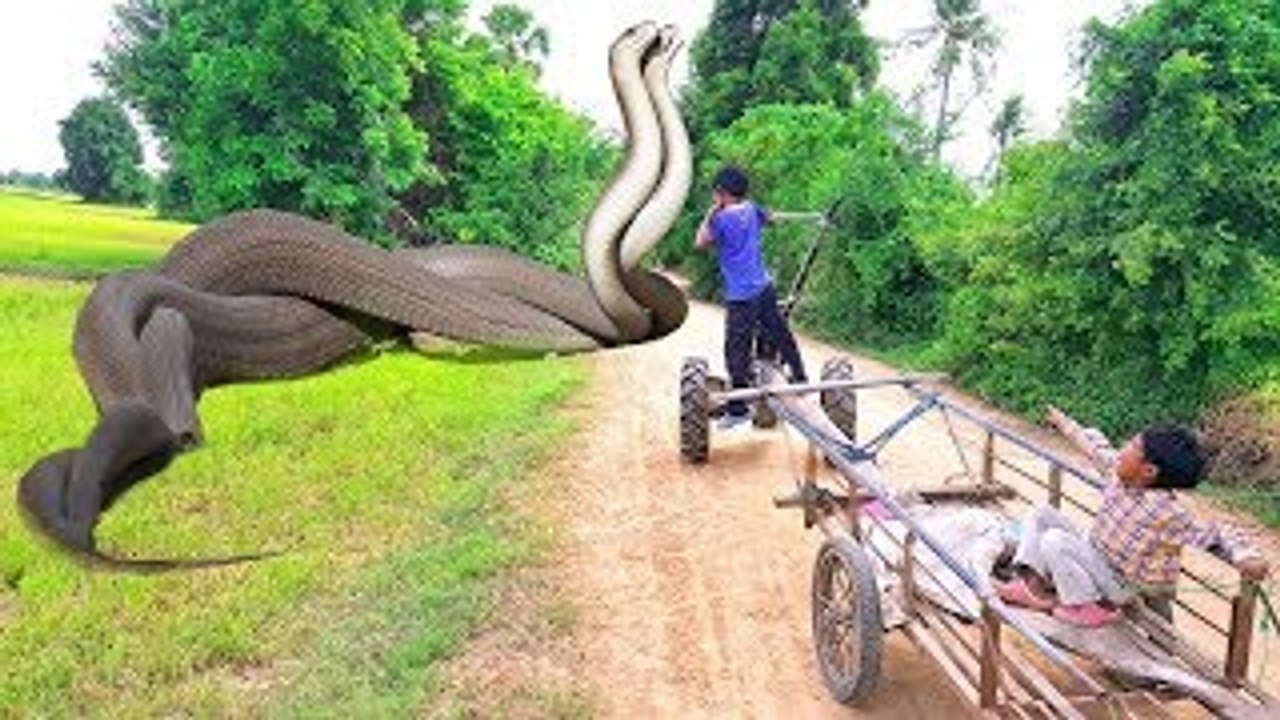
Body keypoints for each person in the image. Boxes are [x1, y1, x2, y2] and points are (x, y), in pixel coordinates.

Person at [996, 406, 1269, 627]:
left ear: (1148, 471)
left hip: (1117, 583)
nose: (1122, 449)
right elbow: (1094, 447)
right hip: (1095, 553)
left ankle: (1084, 606)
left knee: (1054, 540)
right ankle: (1031, 582)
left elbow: (1219, 531)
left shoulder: (1166, 511)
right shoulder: (1119, 473)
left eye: (1131, 447)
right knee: (1041, 514)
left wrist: (1246, 557)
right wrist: (1064, 423)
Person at [695, 165, 808, 429]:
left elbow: (699, 242)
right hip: (764, 288)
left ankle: (738, 408)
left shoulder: (720, 220)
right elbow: (771, 219)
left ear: (721, 194)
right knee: (781, 334)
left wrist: (712, 211)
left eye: (716, 194)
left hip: (741, 297)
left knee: (736, 351)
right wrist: (770, 216)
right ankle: (801, 380)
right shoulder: (752, 210)